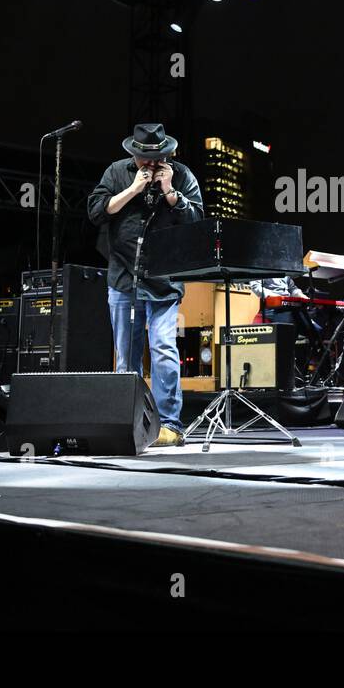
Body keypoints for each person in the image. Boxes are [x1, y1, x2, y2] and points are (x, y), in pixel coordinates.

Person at [87, 123, 203, 446]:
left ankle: (170, 424)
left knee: (164, 349)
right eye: (145, 160)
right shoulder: (116, 173)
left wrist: (170, 193)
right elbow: (96, 211)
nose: (151, 166)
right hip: (125, 278)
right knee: (126, 356)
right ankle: (131, 420)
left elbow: (197, 223)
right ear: (134, 155)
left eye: (158, 159)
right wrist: (133, 191)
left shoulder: (182, 176)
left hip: (165, 281)